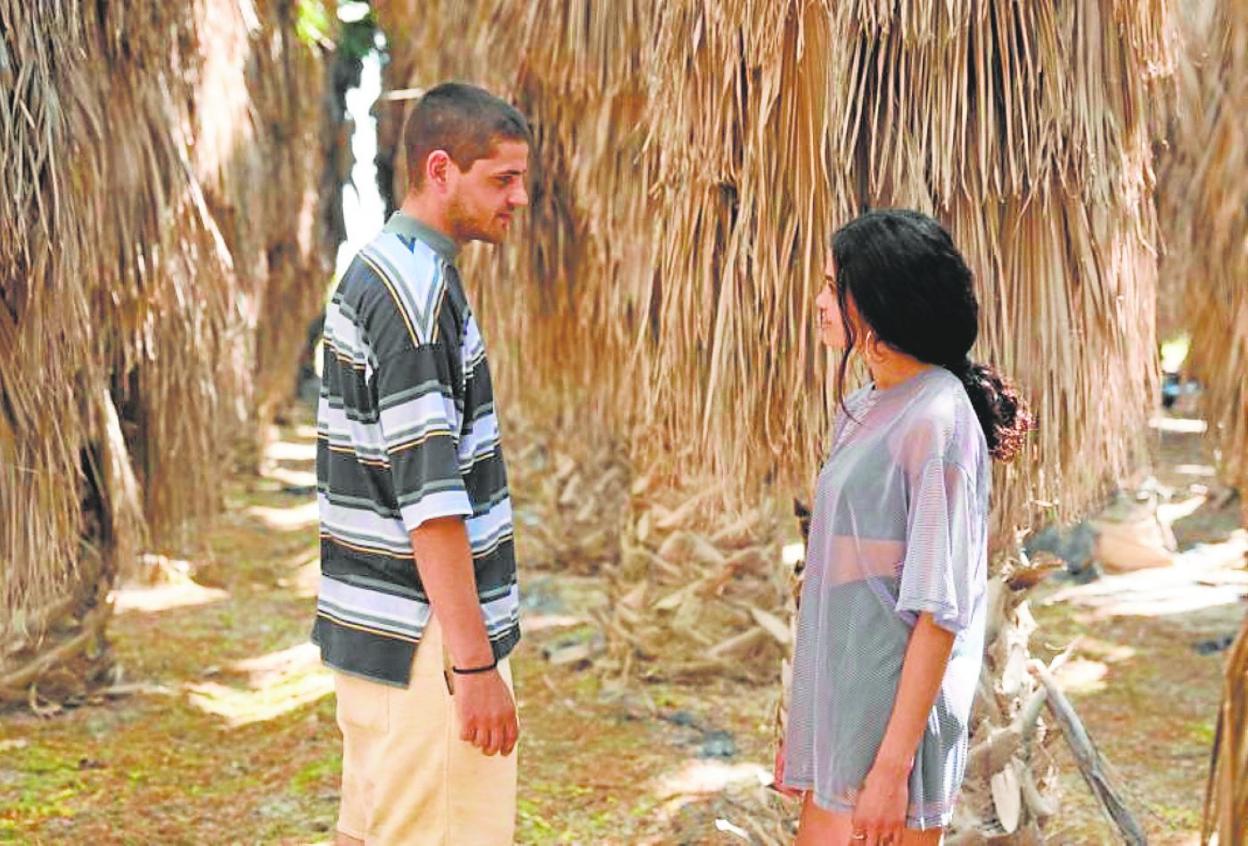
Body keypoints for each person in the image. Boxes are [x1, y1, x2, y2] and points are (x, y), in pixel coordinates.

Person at [312, 81, 531, 845]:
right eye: (501, 178)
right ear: (441, 170)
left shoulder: (380, 268)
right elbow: (431, 497)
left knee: (370, 831)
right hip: (424, 644)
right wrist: (472, 669)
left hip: (374, 633)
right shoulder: (414, 296)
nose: (519, 198)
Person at [776, 209, 1033, 845]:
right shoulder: (865, 403)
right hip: (844, 703)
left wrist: (893, 767)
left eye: (833, 286)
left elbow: (939, 610)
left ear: (881, 299)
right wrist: (808, 732)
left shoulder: (938, 421)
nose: (818, 301)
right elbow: (844, 577)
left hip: (895, 721)